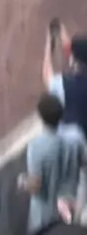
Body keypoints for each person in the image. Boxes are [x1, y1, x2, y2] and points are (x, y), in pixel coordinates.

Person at [19, 94, 86, 231]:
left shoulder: (36, 146)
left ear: (41, 116)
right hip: (71, 206)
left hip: (46, 216)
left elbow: (35, 185)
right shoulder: (76, 134)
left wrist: (22, 182)